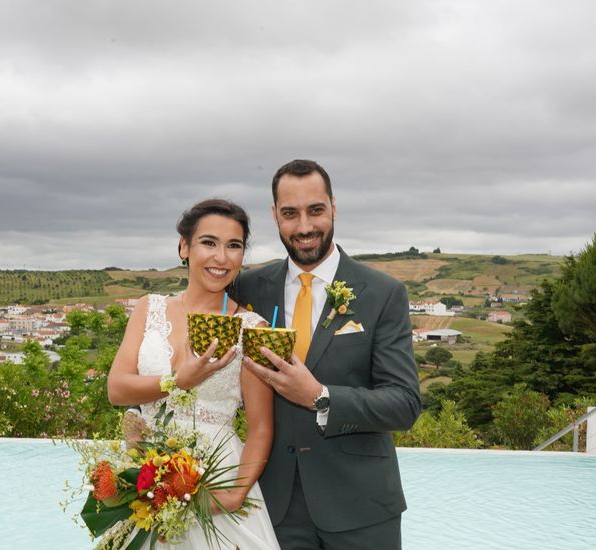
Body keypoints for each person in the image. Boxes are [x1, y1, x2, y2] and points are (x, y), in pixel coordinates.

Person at [237, 159, 422, 549]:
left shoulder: (383, 293)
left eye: (315, 210)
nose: (304, 227)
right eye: (290, 213)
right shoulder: (248, 289)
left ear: (334, 207)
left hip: (363, 508)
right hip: (275, 508)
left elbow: (404, 404)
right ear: (274, 216)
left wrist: (320, 397)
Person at [107, 198, 281, 549]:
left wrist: (234, 495)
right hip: (148, 475)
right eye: (209, 243)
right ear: (184, 247)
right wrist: (178, 381)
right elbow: (117, 390)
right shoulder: (148, 308)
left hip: (219, 478)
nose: (222, 257)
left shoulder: (251, 327)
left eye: (234, 246)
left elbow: (261, 426)